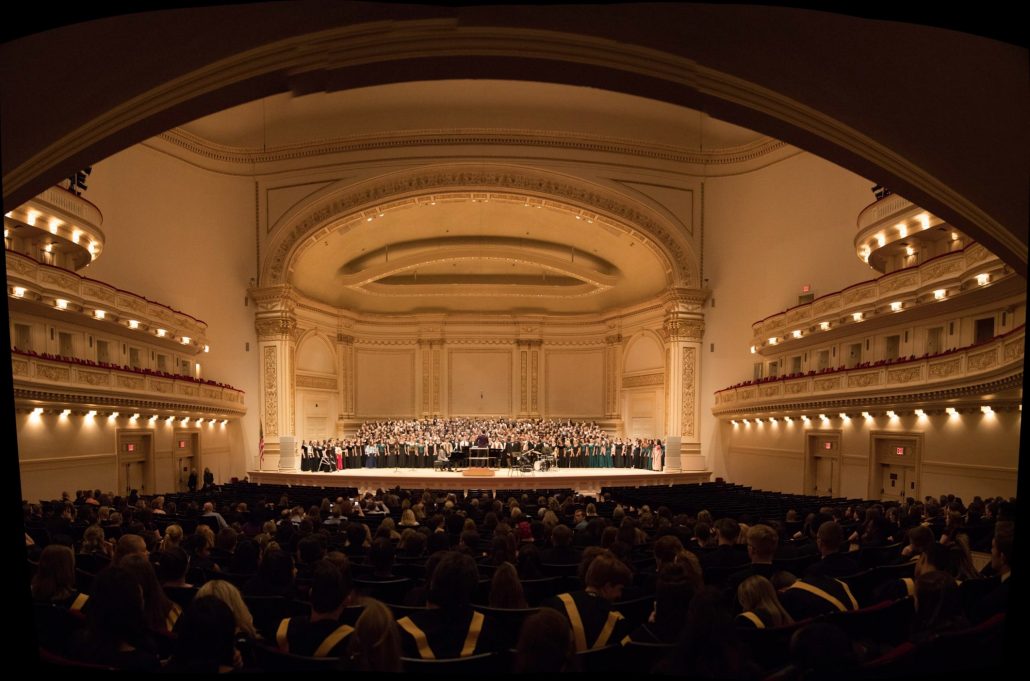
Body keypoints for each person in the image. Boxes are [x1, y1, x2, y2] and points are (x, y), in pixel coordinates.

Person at [542, 549, 633, 652]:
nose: (620, 595)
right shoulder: (618, 623)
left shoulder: (555, 604)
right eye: (619, 589)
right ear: (607, 587)